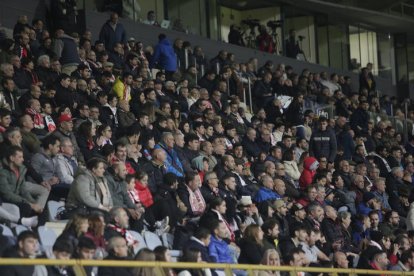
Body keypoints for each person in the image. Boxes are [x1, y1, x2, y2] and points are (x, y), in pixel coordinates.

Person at [0, 145, 49, 217]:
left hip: (18, 200)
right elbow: (7, 195)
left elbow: (24, 191)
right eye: (20, 157)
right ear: (12, 158)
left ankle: (36, 227)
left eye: (22, 157)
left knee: (41, 210)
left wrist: (34, 203)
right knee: (27, 207)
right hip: (6, 201)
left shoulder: (21, 170)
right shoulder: (2, 173)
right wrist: (29, 204)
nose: (23, 159)